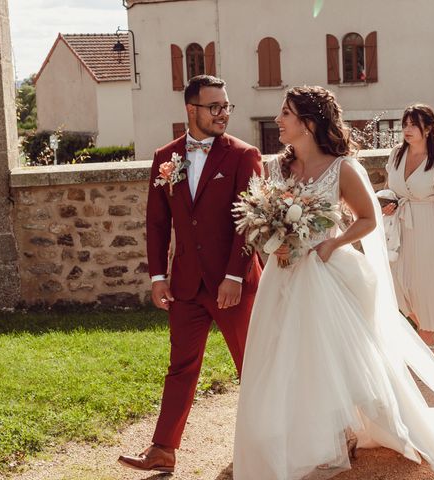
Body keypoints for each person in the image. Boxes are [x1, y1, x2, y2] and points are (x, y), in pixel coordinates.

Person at [232, 85, 434, 480]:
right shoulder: (280, 168)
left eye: (285, 114)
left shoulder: (342, 168)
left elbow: (367, 220)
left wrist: (332, 243)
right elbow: (268, 217)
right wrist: (276, 241)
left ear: (308, 122)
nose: (278, 120)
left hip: (326, 271)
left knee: (330, 354)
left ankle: (340, 431)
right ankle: (293, 432)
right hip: (284, 274)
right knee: (284, 352)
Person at [118, 75, 262, 473]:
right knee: (180, 366)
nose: (223, 114)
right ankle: (163, 449)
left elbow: (249, 222)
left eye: (226, 106)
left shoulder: (243, 155)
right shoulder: (166, 157)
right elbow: (157, 223)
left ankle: (267, 445)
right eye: (214, 107)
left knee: (251, 365)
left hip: (234, 284)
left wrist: (234, 277)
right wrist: (157, 276)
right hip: (184, 284)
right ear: (191, 110)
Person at [382, 105, 434, 354]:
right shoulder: (396, 154)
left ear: (427, 128)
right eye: (405, 124)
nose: (407, 129)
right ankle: (424, 337)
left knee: (424, 287)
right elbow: (389, 188)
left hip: (430, 228)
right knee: (397, 283)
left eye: (413, 124)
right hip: (399, 227)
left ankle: (426, 342)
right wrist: (389, 203)